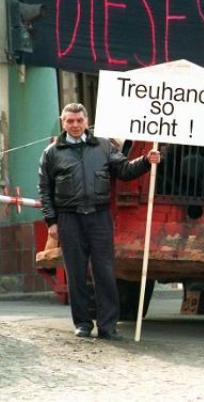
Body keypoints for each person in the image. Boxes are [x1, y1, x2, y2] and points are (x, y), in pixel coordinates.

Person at [38, 103, 160, 340]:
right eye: (69, 121)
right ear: (62, 122)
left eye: (79, 121)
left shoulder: (104, 146)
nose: (74, 125)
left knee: (105, 272)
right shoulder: (52, 153)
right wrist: (51, 221)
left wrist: (146, 161)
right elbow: (45, 190)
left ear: (86, 121)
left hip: (99, 216)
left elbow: (124, 170)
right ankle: (83, 323)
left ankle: (108, 326)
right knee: (76, 272)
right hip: (68, 218)